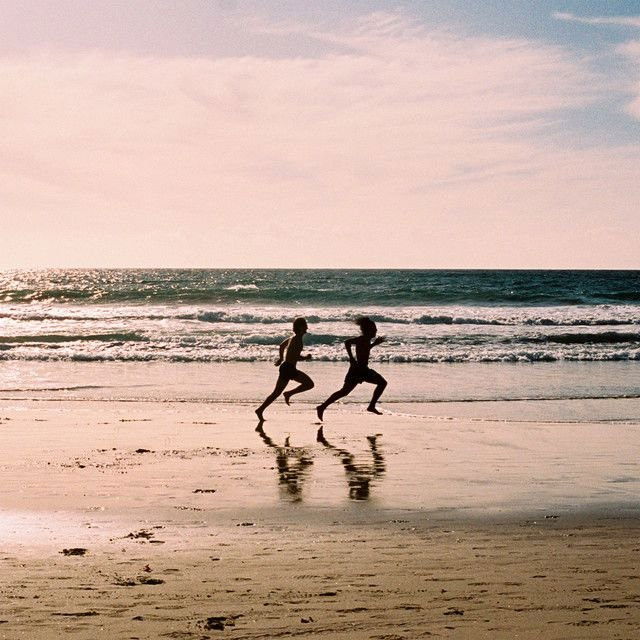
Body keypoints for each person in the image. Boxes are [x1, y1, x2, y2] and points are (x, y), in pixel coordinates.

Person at [316, 316, 386, 421]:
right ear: (368, 330)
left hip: (362, 370)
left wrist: (374, 344)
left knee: (344, 392)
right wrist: (351, 359)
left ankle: (323, 406)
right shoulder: (362, 339)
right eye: (374, 329)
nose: (376, 331)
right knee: (381, 383)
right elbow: (347, 342)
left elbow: (364, 350)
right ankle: (322, 406)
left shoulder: (366, 340)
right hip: (358, 370)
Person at [255, 317, 314, 422]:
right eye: (305, 325)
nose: (307, 327)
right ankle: (288, 394)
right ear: (300, 327)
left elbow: (282, 346)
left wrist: (281, 358)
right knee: (309, 384)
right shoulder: (297, 340)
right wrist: (305, 358)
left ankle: (260, 409)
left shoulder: (292, 338)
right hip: (289, 369)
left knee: (276, 393)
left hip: (286, 367)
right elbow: (295, 356)